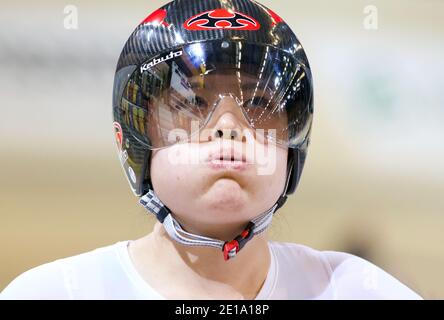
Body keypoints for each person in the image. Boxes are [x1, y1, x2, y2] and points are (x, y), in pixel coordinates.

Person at [1, 0, 422, 300]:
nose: (227, 130)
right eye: (192, 103)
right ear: (133, 139)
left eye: (258, 104)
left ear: (293, 145)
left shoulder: (362, 290)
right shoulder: (51, 293)